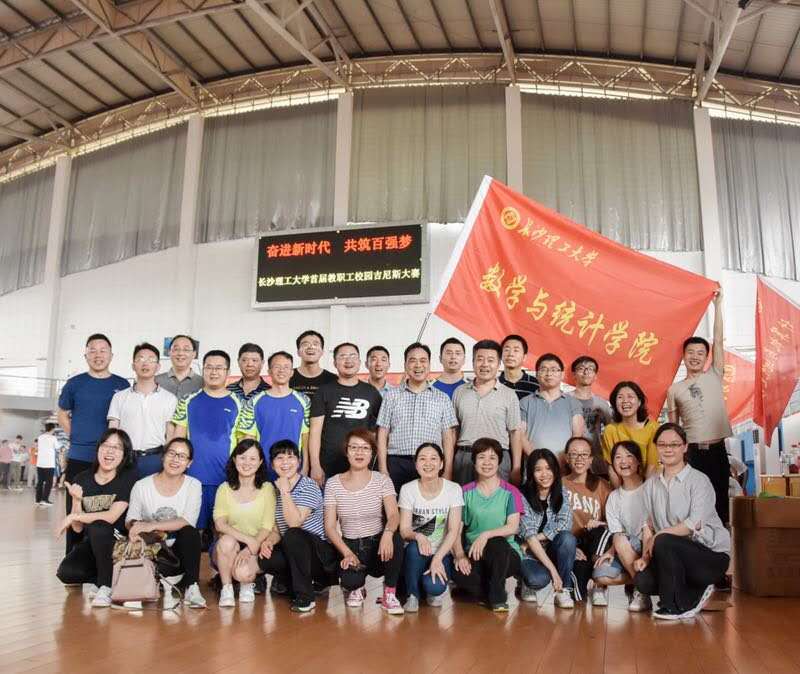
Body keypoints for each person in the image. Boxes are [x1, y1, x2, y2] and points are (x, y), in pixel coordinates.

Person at [634, 423, 731, 620]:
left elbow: (693, 524)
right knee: (643, 581)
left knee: (664, 540)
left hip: (709, 556)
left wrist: (659, 536)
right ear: (656, 447)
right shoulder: (650, 485)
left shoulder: (699, 481)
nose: (668, 449)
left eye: (674, 444)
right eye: (662, 444)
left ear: (685, 447)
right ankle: (695, 590)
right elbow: (647, 526)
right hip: (672, 556)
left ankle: (676, 606)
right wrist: (645, 557)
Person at [57, 334, 129, 552]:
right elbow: (62, 413)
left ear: (111, 355)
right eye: (93, 350)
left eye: (103, 350)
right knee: (76, 510)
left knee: (109, 514)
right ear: (86, 355)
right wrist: (77, 436)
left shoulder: (122, 385)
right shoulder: (74, 384)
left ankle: (108, 560)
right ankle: (73, 559)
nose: (98, 355)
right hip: (79, 458)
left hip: (111, 460)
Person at [667, 291, 733, 526]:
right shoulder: (674, 389)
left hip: (717, 450)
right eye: (690, 352)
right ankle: (695, 542)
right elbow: (673, 430)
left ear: (707, 357)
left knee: (720, 501)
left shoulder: (714, 374)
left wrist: (718, 306)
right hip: (692, 453)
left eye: (700, 353)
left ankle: (722, 542)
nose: (695, 357)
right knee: (694, 503)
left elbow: (719, 339)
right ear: (683, 356)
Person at [323, 428, 404, 615]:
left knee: (396, 539)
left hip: (378, 545)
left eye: (365, 448)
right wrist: (346, 552)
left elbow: (394, 515)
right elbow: (329, 527)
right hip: (350, 546)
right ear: (346, 451)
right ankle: (358, 588)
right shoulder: (333, 483)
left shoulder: (382, 480)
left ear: (372, 453)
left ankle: (389, 594)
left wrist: (388, 534)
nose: (359, 452)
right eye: (354, 447)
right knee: (351, 582)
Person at [55, 429, 138, 608]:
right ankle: (103, 576)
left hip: (117, 543)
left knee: (99, 525)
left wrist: (74, 515)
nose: (110, 451)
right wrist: (77, 501)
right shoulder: (82, 479)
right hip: (92, 544)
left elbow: (111, 517)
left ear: (124, 455)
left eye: (117, 447)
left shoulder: (127, 479)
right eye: (106, 445)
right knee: (67, 573)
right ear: (98, 449)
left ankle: (106, 586)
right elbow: (77, 528)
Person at [252, 439, 337, 612]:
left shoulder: (308, 485)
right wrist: (269, 541)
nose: (285, 463)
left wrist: (285, 492)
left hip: (320, 556)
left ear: (298, 462)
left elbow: (294, 523)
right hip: (295, 550)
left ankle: (306, 597)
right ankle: (292, 582)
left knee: (293, 534)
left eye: (290, 457)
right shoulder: (274, 489)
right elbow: (278, 529)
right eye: (279, 458)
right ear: (272, 464)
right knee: (266, 557)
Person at [125, 437, 206, 609]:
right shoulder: (141, 486)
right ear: (162, 456)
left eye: (182, 456)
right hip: (153, 550)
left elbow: (187, 520)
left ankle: (192, 586)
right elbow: (131, 518)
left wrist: (151, 525)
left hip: (180, 554)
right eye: (172, 453)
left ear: (189, 463)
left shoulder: (194, 485)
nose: (175, 459)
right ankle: (158, 580)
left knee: (190, 532)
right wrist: (135, 527)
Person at [171, 350, 245, 532]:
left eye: (219, 368)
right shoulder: (188, 401)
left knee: (223, 531)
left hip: (226, 479)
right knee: (193, 531)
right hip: (192, 478)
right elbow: (178, 440)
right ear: (203, 370)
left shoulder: (240, 403)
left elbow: (244, 444)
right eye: (209, 367)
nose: (213, 372)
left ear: (228, 372)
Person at [452, 438, 524, 612]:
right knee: (460, 574)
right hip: (475, 553)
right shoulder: (464, 492)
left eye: (492, 458)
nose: (486, 462)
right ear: (474, 461)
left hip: (506, 553)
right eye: (481, 457)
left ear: (499, 462)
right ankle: (486, 588)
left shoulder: (511, 492)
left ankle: (498, 598)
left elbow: (513, 527)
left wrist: (486, 535)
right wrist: (460, 555)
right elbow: (455, 530)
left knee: (496, 543)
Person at [377, 342, 457, 491]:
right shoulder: (391, 396)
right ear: (405, 365)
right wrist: (383, 469)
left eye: (423, 360)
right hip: (397, 463)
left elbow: (448, 437)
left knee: (429, 504)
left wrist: (447, 470)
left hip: (430, 464)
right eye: (413, 360)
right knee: (395, 504)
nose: (418, 365)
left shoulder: (442, 398)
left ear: (429, 365)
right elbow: (382, 434)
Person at [211, 438, 276, 608]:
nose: (247, 463)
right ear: (234, 459)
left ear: (260, 462)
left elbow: (267, 526)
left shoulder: (267, 488)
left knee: (242, 573)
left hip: (257, 545)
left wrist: (250, 547)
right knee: (226, 541)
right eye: (242, 457)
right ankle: (227, 588)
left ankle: (247, 584)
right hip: (228, 546)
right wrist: (247, 540)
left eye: (253, 458)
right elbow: (220, 524)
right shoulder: (224, 488)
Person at [399, 442, 463, 612]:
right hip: (416, 552)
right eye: (422, 459)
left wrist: (437, 558)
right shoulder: (408, 489)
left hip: (442, 551)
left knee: (434, 588)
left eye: (433, 458)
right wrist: (418, 536)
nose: (428, 463)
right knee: (413, 548)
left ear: (441, 464)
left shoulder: (453, 489)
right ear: (416, 464)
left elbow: (453, 530)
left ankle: (430, 589)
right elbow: (404, 529)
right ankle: (412, 595)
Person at [308, 343, 382, 485]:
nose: (348, 360)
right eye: (343, 356)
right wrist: (315, 465)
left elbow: (381, 430)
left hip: (361, 466)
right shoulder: (324, 392)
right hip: (328, 467)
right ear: (335, 363)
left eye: (353, 356)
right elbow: (315, 432)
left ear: (359, 362)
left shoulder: (371, 392)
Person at [452, 340, 523, 486]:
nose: (485, 364)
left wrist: (516, 467)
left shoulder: (509, 394)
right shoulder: (460, 392)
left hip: (497, 458)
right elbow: (454, 431)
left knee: (498, 500)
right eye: (480, 359)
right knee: (463, 499)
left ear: (499, 364)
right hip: (465, 457)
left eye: (490, 360)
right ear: (473, 362)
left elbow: (515, 433)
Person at [592, 440, 651, 612]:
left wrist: (645, 557)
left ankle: (642, 589)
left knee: (619, 539)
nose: (623, 461)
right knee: (600, 575)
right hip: (626, 547)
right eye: (618, 457)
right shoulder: (614, 497)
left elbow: (649, 529)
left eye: (629, 456)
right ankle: (645, 582)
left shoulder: (650, 488)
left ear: (638, 461)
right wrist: (611, 551)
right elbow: (617, 533)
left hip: (650, 545)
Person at [107, 343, 178, 478]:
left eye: (151, 359)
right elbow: (113, 432)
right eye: (140, 359)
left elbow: (170, 435)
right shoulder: (119, 397)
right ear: (133, 365)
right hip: (125, 458)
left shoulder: (169, 399)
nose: (145, 363)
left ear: (158, 367)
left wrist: (167, 460)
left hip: (155, 459)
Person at [238, 351, 311, 479]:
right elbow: (249, 439)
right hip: (263, 470)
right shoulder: (254, 401)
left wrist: (305, 467)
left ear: (292, 372)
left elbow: (306, 438)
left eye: (286, 367)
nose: (281, 370)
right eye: (277, 366)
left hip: (293, 471)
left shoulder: (304, 400)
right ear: (269, 371)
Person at [517, 448, 575, 608]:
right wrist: (554, 572)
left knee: (567, 538)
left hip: (548, 548)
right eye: (538, 470)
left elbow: (565, 524)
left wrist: (536, 538)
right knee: (537, 580)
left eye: (548, 468)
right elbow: (528, 533)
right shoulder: (521, 495)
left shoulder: (561, 491)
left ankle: (563, 590)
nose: (544, 474)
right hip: (528, 553)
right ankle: (525, 582)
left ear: (555, 470)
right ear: (531, 473)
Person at [562, 436, 612, 605]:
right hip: (573, 544)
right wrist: (570, 548)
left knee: (600, 531)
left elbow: (614, 524)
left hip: (596, 544)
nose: (579, 459)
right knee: (578, 596)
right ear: (567, 458)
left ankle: (599, 583)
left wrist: (600, 523)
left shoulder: (602, 485)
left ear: (591, 459)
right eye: (574, 454)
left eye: (584, 454)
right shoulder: (560, 484)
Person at [520, 354, 585, 466]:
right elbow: (520, 436)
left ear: (562, 375)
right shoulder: (525, 402)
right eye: (543, 369)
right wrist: (537, 460)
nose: (549, 373)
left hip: (565, 466)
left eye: (554, 370)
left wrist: (564, 460)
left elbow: (577, 436)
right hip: (535, 467)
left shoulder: (573, 403)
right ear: (537, 374)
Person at [601, 381, 659, 487]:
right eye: (620, 397)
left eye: (630, 396)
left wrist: (643, 493)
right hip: (621, 488)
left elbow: (652, 467)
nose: (625, 401)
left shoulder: (653, 428)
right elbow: (611, 469)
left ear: (639, 402)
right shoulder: (610, 430)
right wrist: (621, 493)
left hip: (649, 486)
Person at [568, 356, 612, 476]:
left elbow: (612, 429)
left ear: (595, 376)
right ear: (574, 374)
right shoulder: (564, 400)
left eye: (590, 369)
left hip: (595, 460)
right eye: (581, 368)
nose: (586, 372)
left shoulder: (601, 403)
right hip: (570, 458)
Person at [289, 330, 337, 400]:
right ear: (298, 352)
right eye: (305, 344)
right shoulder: (287, 377)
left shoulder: (333, 380)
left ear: (322, 351)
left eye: (315, 344)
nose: (311, 347)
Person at [155, 334, 203, 399]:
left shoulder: (203, 383)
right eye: (176, 349)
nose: (180, 353)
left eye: (186, 349)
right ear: (169, 352)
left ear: (194, 354)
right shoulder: (156, 381)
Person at [499, 334, 539, 401]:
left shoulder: (537, 385)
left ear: (524, 357)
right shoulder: (493, 385)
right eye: (507, 350)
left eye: (516, 350)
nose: (511, 354)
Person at [35, 424, 59, 507]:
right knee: (49, 482)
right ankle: (45, 500)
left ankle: (38, 500)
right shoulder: (53, 438)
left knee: (40, 481)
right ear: (52, 429)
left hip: (40, 463)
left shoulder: (40, 437)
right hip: (49, 463)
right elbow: (57, 447)